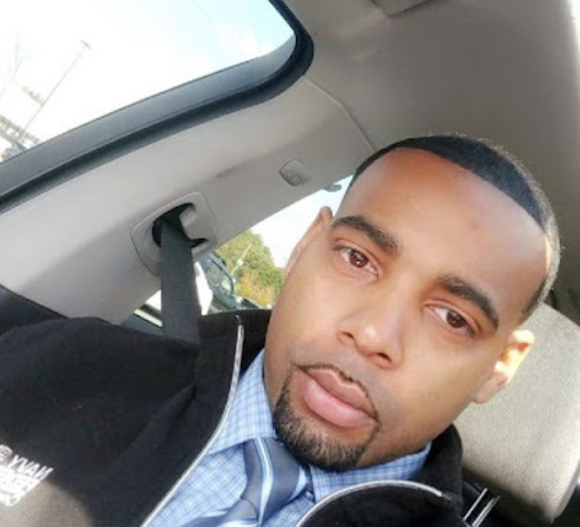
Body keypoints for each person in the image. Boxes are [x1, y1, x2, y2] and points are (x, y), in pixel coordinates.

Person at [0, 134, 559, 527]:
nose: (371, 335)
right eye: (358, 259)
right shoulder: (66, 365)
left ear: (501, 366)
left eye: (453, 318)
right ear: (306, 246)